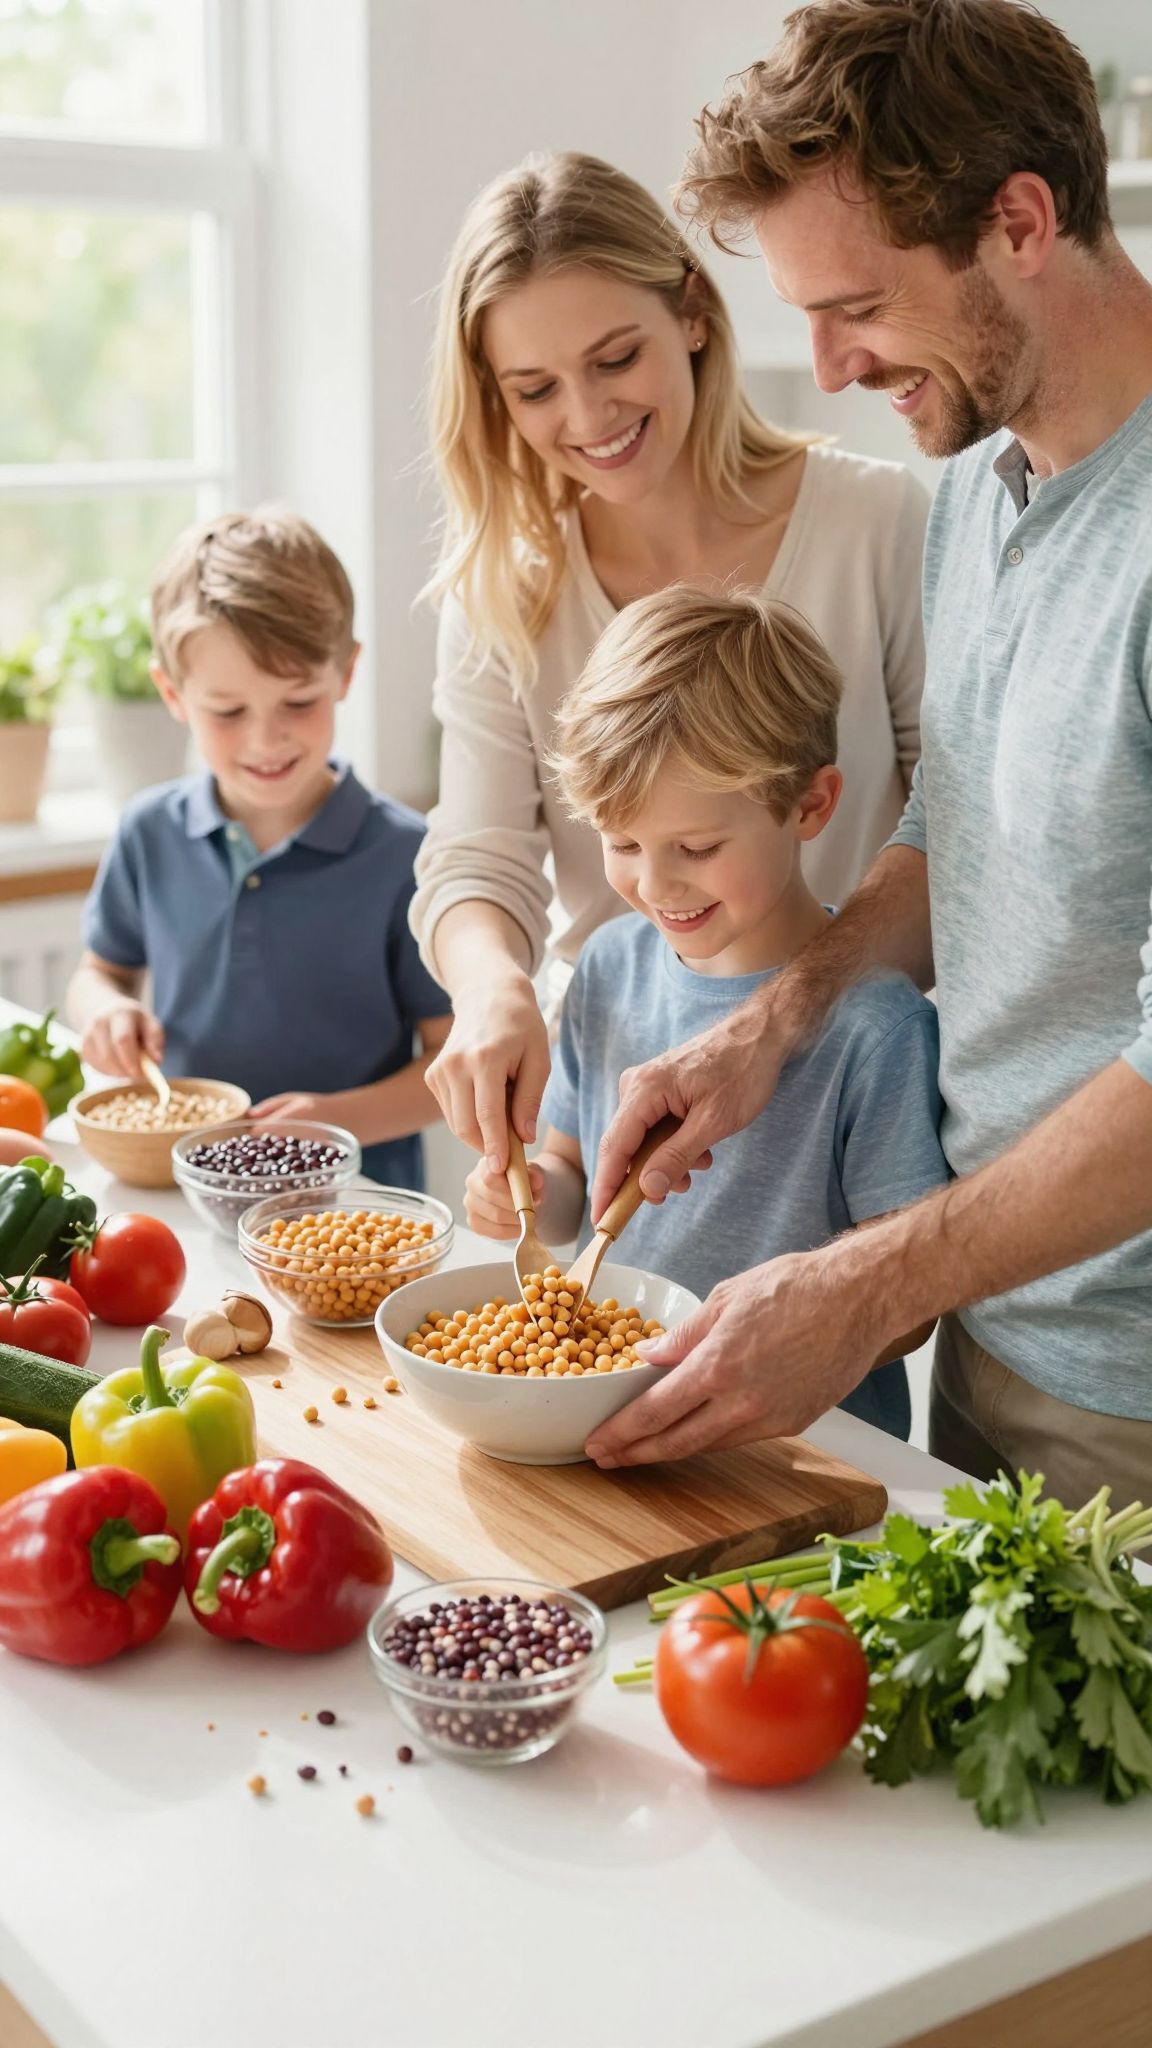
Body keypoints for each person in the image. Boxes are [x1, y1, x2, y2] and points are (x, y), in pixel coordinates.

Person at [584, 0, 1152, 1507]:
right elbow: (955, 835)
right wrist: (774, 1023)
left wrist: (864, 1285)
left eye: (856, 308)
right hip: (995, 1330)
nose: (829, 369)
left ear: (1020, 222)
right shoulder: (977, 480)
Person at [411, 150, 930, 1172]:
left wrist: (781, 1014)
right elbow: (477, 855)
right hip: (619, 1103)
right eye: (534, 388)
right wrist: (492, 987)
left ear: (692, 312)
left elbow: (957, 822)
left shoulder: (877, 523)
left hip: (843, 1078)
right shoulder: (502, 592)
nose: (587, 417)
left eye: (616, 359)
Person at [463, 583, 947, 1440]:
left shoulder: (878, 1027)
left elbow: (909, 1305)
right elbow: (573, 1180)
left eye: (697, 847)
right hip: (613, 1417)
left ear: (810, 805)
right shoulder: (608, 965)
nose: (656, 884)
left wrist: (792, 1328)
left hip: (802, 1449)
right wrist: (533, 1196)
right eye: (622, 844)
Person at [68, 510, 452, 1189]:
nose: (266, 740)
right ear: (172, 694)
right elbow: (100, 972)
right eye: (228, 711)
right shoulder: (148, 831)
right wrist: (104, 1012)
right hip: (185, 1185)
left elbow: (451, 1062)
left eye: (298, 701)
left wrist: (339, 1122)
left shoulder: (407, 856)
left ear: (345, 673)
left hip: (354, 1205)